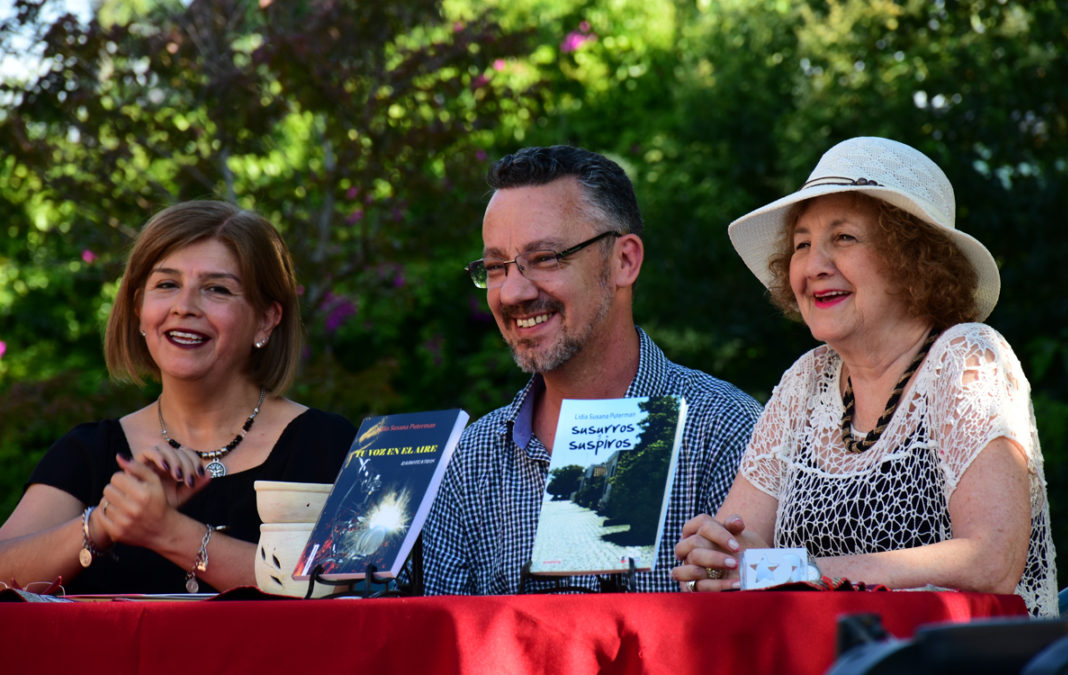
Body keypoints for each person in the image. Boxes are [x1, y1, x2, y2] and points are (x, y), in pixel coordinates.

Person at [672, 136, 1057, 616]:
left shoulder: (966, 358)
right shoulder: (806, 381)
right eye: (802, 244)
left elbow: (991, 562)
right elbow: (745, 541)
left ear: (913, 259)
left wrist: (797, 569)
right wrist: (721, 557)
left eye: (844, 238)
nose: (814, 266)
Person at [422, 145, 762, 595]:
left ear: (624, 261)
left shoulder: (726, 430)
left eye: (544, 258)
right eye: (496, 267)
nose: (512, 293)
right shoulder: (469, 462)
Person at [0, 200, 357, 595]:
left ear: (267, 318)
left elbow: (331, 587)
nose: (184, 307)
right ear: (138, 308)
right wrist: (103, 522)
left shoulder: (330, 446)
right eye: (166, 284)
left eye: (217, 289)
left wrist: (168, 532)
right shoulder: (88, 452)